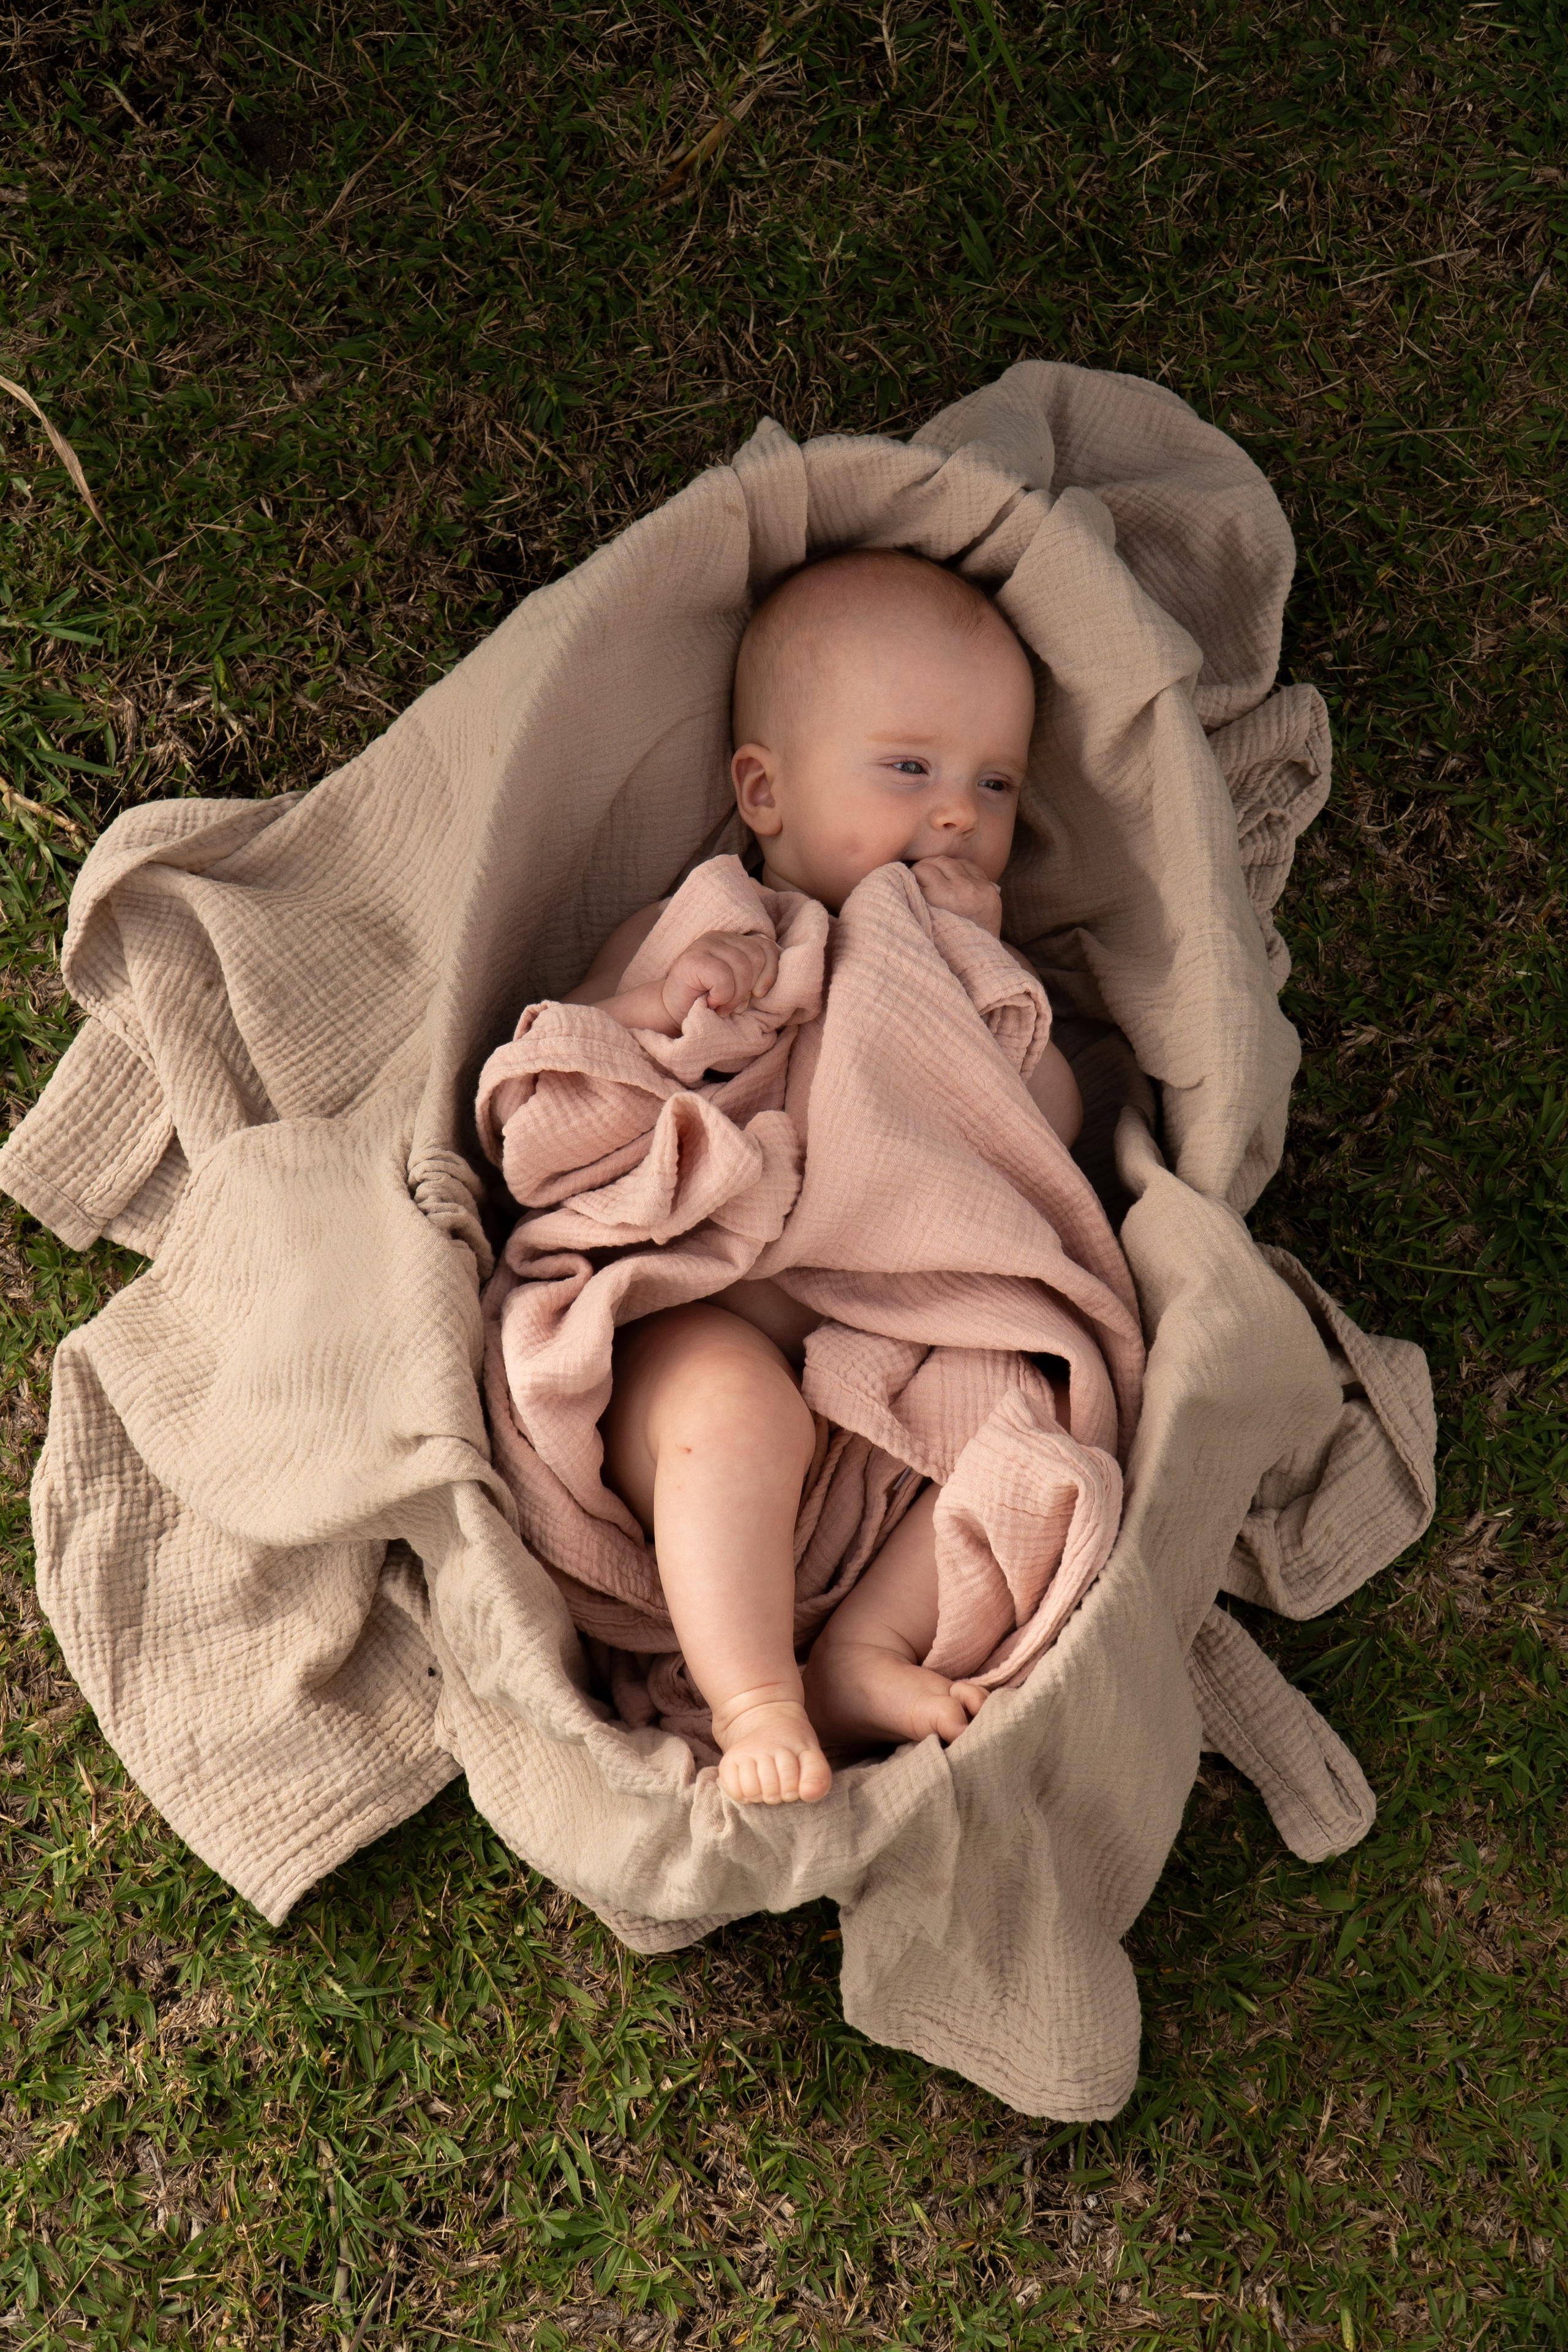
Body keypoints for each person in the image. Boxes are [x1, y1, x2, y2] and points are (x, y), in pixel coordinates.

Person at [554, 549, 1081, 1807]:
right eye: (909, 768)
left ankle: (862, 1649)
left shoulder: (978, 975)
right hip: (703, 1328)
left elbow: (1042, 1145)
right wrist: (661, 1013)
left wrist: (977, 992)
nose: (956, 812)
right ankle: (754, 1701)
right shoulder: (718, 926)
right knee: (735, 1409)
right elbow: (560, 1075)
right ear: (764, 790)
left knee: (1022, 1415)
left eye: (992, 782)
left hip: (892, 1366)